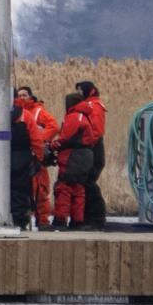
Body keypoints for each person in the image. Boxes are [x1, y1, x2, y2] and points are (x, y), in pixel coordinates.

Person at [0, 98, 43, 229]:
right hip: (21, 159)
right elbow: (36, 139)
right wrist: (39, 157)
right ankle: (18, 221)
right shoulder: (26, 116)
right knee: (19, 190)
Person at [50, 93, 96, 230]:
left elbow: (65, 138)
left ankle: (60, 220)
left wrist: (53, 145)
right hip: (85, 156)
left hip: (72, 156)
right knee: (78, 189)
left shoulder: (74, 116)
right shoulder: (85, 115)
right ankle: (77, 221)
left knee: (64, 187)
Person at [16, 86, 58, 230]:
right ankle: (22, 220)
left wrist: (37, 140)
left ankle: (43, 221)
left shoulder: (38, 112)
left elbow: (53, 127)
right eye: (19, 95)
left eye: (25, 95)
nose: (22, 98)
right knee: (22, 191)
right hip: (22, 157)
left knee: (41, 190)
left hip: (36, 158)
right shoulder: (15, 113)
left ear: (31, 96)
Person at [75, 80, 107, 229]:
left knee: (88, 183)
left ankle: (96, 219)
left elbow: (96, 131)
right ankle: (89, 219)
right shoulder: (90, 106)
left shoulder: (94, 107)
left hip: (93, 149)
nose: (78, 94)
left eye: (80, 91)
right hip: (90, 149)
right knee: (85, 183)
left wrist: (83, 142)